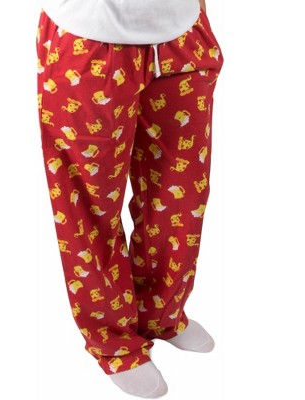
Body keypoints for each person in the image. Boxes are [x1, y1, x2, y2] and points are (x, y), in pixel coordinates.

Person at [36, 0, 223, 397]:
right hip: (90, 40)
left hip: (181, 34)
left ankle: (162, 312)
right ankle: (113, 340)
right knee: (90, 204)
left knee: (182, 192)